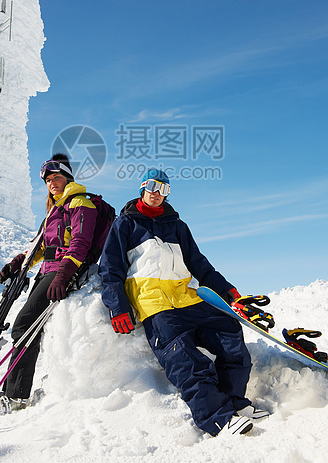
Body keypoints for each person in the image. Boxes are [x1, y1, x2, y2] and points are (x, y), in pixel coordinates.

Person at [99, 169, 269, 437]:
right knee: (183, 357)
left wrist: (227, 289)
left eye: (164, 189)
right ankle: (217, 417)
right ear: (143, 187)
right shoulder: (125, 224)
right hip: (155, 305)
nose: (157, 194)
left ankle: (235, 401)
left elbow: (199, 264)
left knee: (230, 332)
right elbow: (110, 269)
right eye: (153, 187)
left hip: (187, 298)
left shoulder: (177, 226)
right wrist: (117, 306)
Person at [0, 153, 98, 415]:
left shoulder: (81, 204)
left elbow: (80, 243)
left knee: (24, 325)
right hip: (46, 272)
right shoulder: (54, 210)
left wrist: (64, 274)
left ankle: (17, 397)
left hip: (63, 272)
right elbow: (42, 248)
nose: (52, 183)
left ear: (68, 178)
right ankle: (10, 391)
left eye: (56, 178)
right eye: (48, 180)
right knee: (25, 328)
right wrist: (19, 263)